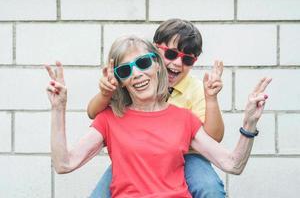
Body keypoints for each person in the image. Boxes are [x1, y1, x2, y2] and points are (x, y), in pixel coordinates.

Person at [45, 36, 271, 198]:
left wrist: (249, 122)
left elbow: (233, 164)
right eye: (125, 70)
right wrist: (58, 108)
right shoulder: (109, 118)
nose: (136, 74)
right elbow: (64, 164)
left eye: (143, 63)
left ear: (157, 65)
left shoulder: (184, 119)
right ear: (120, 81)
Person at [88, 19, 225, 197]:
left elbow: (214, 138)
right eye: (170, 54)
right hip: (139, 156)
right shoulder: (134, 78)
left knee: (210, 188)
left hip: (187, 155)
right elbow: (93, 113)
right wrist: (105, 94)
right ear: (154, 50)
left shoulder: (196, 89)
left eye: (188, 59)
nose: (177, 63)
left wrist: (212, 99)